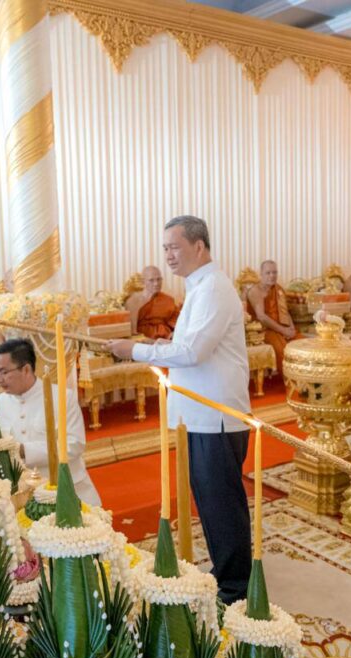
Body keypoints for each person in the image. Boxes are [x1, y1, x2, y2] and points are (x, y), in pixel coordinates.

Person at [107, 215, 252, 604]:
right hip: (200, 416)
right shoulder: (199, 287)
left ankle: (236, 588)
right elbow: (189, 346)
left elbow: (193, 352)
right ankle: (227, 575)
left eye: (174, 247)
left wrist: (136, 350)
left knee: (222, 505)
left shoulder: (213, 288)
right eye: (165, 248)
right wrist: (152, 348)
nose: (168, 255)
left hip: (216, 416)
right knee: (211, 502)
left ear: (199, 246)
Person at [0, 338, 100, 506]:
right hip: (20, 494)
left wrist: (25, 450)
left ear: (26, 369)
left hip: (66, 488)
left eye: (4, 372)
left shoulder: (62, 397)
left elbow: (74, 444)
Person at [246, 260, 301, 373]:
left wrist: (291, 328)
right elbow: (261, 317)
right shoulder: (256, 291)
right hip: (265, 330)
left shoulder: (278, 289)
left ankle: (308, 377)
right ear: (261, 274)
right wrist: (283, 331)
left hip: (282, 327)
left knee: (303, 344)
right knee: (284, 351)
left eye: (275, 272)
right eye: (268, 273)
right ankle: (291, 380)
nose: (272, 276)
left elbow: (285, 311)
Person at [126, 265, 180, 340]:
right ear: (143, 282)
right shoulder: (134, 300)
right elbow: (133, 333)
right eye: (151, 280)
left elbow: (177, 323)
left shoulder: (168, 300)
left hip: (166, 338)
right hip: (144, 339)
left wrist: (175, 334)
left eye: (159, 279)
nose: (156, 283)